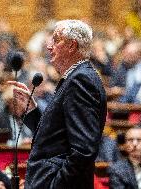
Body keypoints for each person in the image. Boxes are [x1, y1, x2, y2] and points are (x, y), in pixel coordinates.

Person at [9, 20, 107, 188]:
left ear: (71, 45)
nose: (49, 46)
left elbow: (83, 150)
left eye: (56, 39)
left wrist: (55, 184)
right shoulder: (75, 77)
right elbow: (56, 139)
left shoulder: (80, 80)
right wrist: (32, 110)